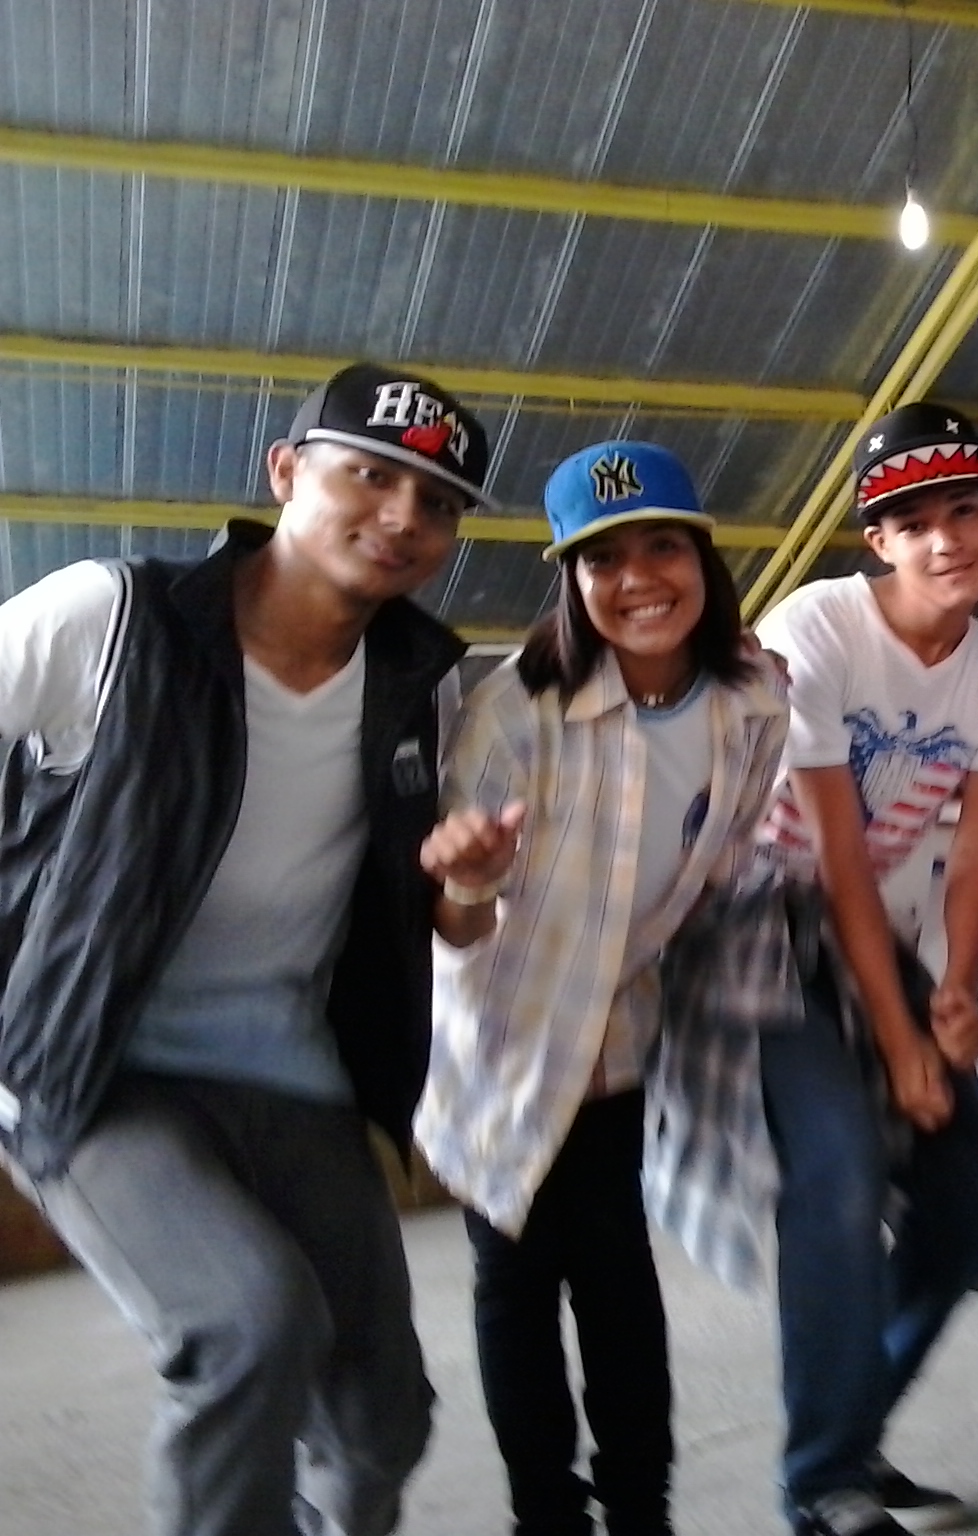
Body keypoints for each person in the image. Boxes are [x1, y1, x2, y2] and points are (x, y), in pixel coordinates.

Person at [0, 363, 494, 1535]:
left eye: (436, 504)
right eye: (369, 476)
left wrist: (469, 886)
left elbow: (452, 923)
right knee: (247, 1326)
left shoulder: (421, 688)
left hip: (290, 1071)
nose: (402, 518)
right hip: (94, 1062)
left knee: (380, 1422)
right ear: (284, 472)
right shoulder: (111, 620)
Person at [658, 402, 978, 1536]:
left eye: (962, 512)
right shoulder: (816, 628)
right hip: (742, 921)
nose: (943, 541)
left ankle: (850, 1434)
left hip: (862, 926)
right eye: (912, 524)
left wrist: (958, 993)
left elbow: (977, 849)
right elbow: (833, 856)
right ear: (878, 541)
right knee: (838, 1174)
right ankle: (822, 1481)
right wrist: (904, 1040)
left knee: (972, 1210)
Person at [414, 441, 788, 1536]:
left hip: (620, 1026)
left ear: (703, 557)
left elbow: (721, 855)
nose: (637, 580)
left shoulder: (754, 700)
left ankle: (640, 1511)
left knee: (618, 1276)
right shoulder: (513, 713)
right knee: (515, 1282)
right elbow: (454, 927)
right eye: (602, 559)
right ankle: (545, 1515)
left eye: (662, 546)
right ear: (571, 580)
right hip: (499, 1035)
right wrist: (467, 880)